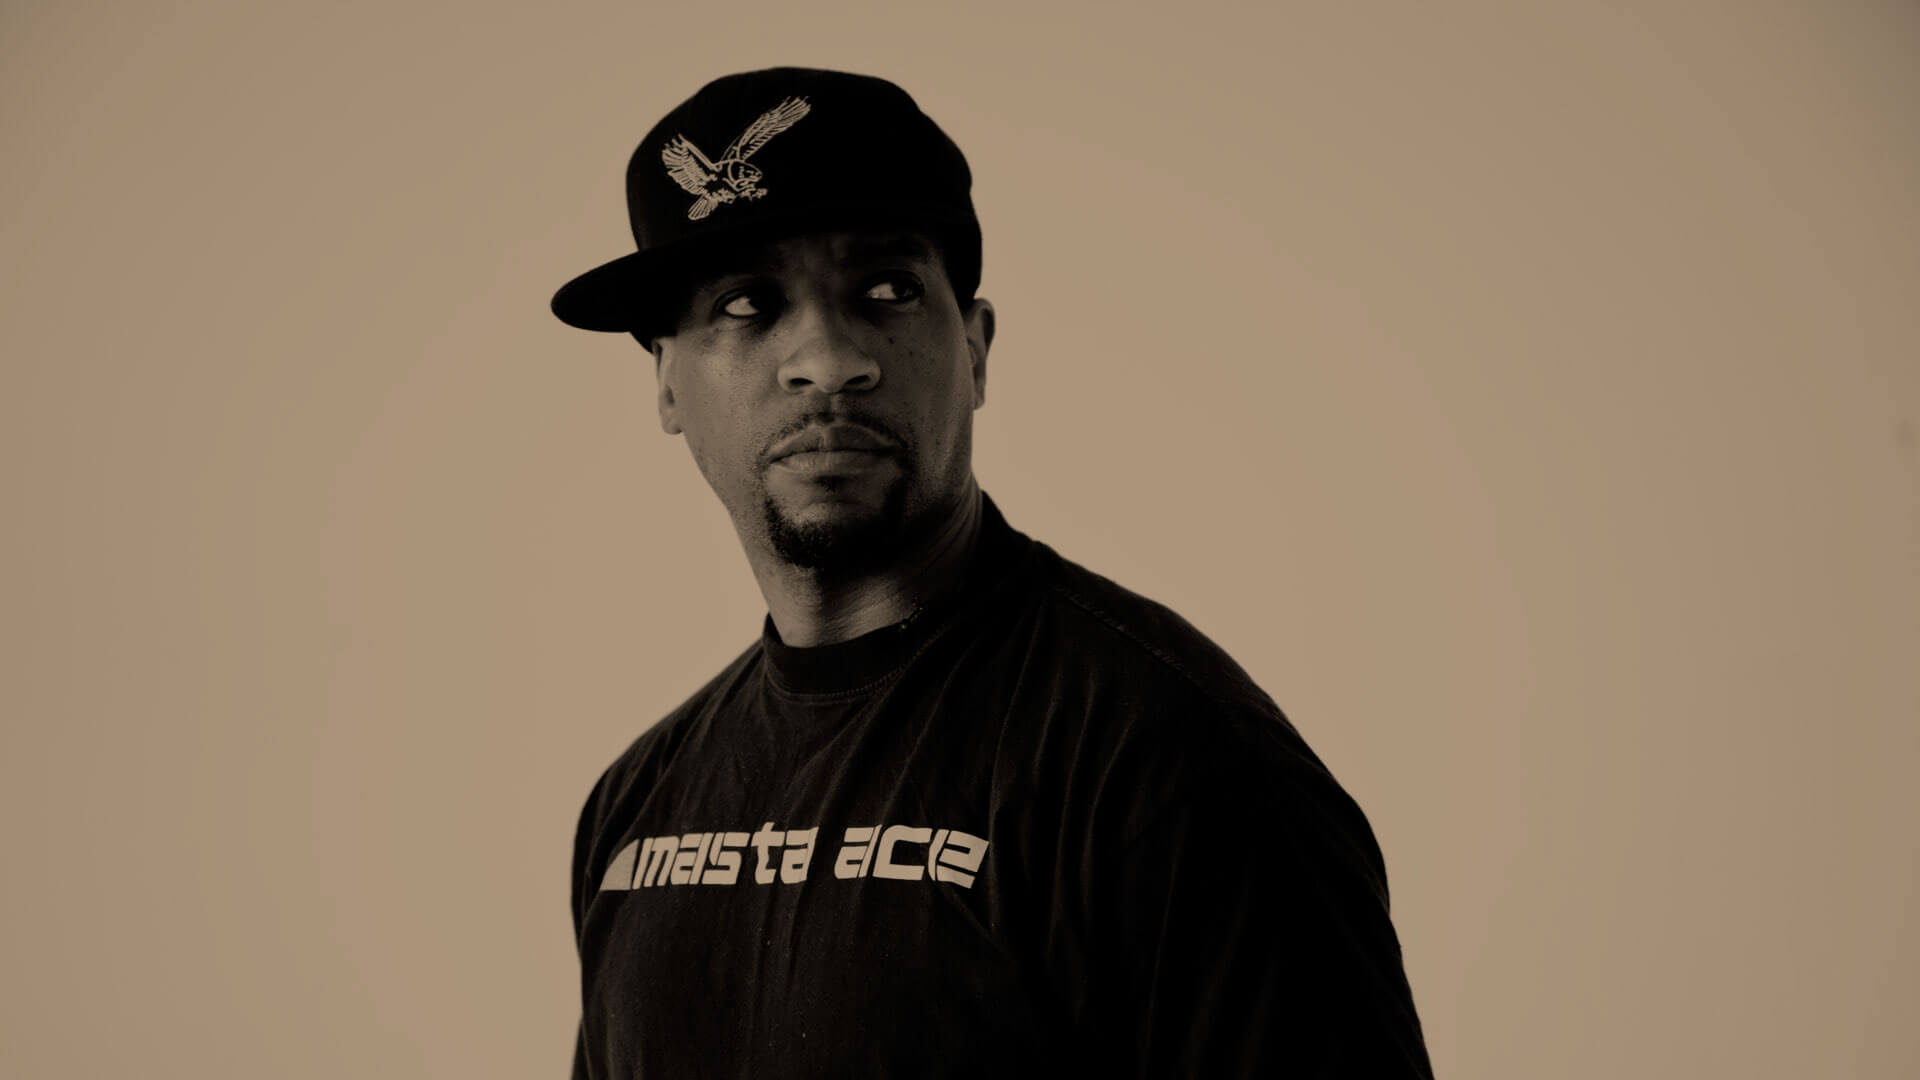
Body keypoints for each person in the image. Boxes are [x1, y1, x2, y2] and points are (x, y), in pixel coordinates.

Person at [550, 66, 1435, 1078]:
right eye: (748, 304)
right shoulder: (638, 806)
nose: (829, 361)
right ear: (668, 383)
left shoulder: (1162, 758)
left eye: (887, 291)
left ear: (974, 351)